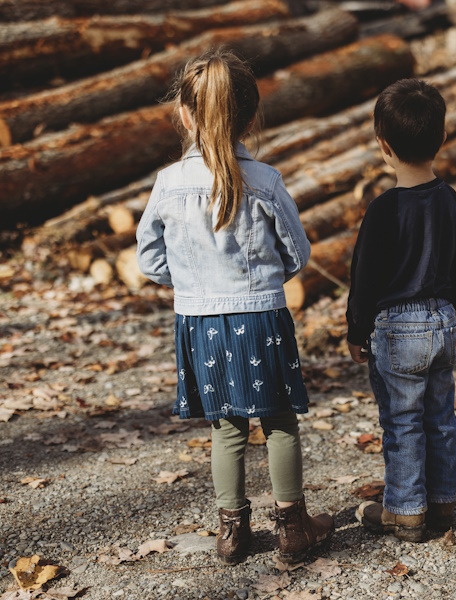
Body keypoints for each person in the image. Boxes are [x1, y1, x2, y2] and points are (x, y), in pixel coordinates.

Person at [136, 50, 333, 565]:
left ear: (183, 114)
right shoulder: (265, 179)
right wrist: (265, 281)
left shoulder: (168, 183)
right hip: (260, 316)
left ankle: (232, 533)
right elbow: (298, 253)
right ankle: (293, 529)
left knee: (225, 425)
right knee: (279, 422)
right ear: (249, 117)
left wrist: (190, 284)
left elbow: (149, 259)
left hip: (200, 321)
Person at [346, 78, 456, 541]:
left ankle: (405, 509)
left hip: (398, 329)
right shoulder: (451, 201)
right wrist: (450, 312)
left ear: (384, 146)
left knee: (402, 421)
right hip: (442, 320)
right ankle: (441, 502)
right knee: (440, 417)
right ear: (442, 138)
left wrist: (357, 329)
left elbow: (365, 278)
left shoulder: (384, 210)